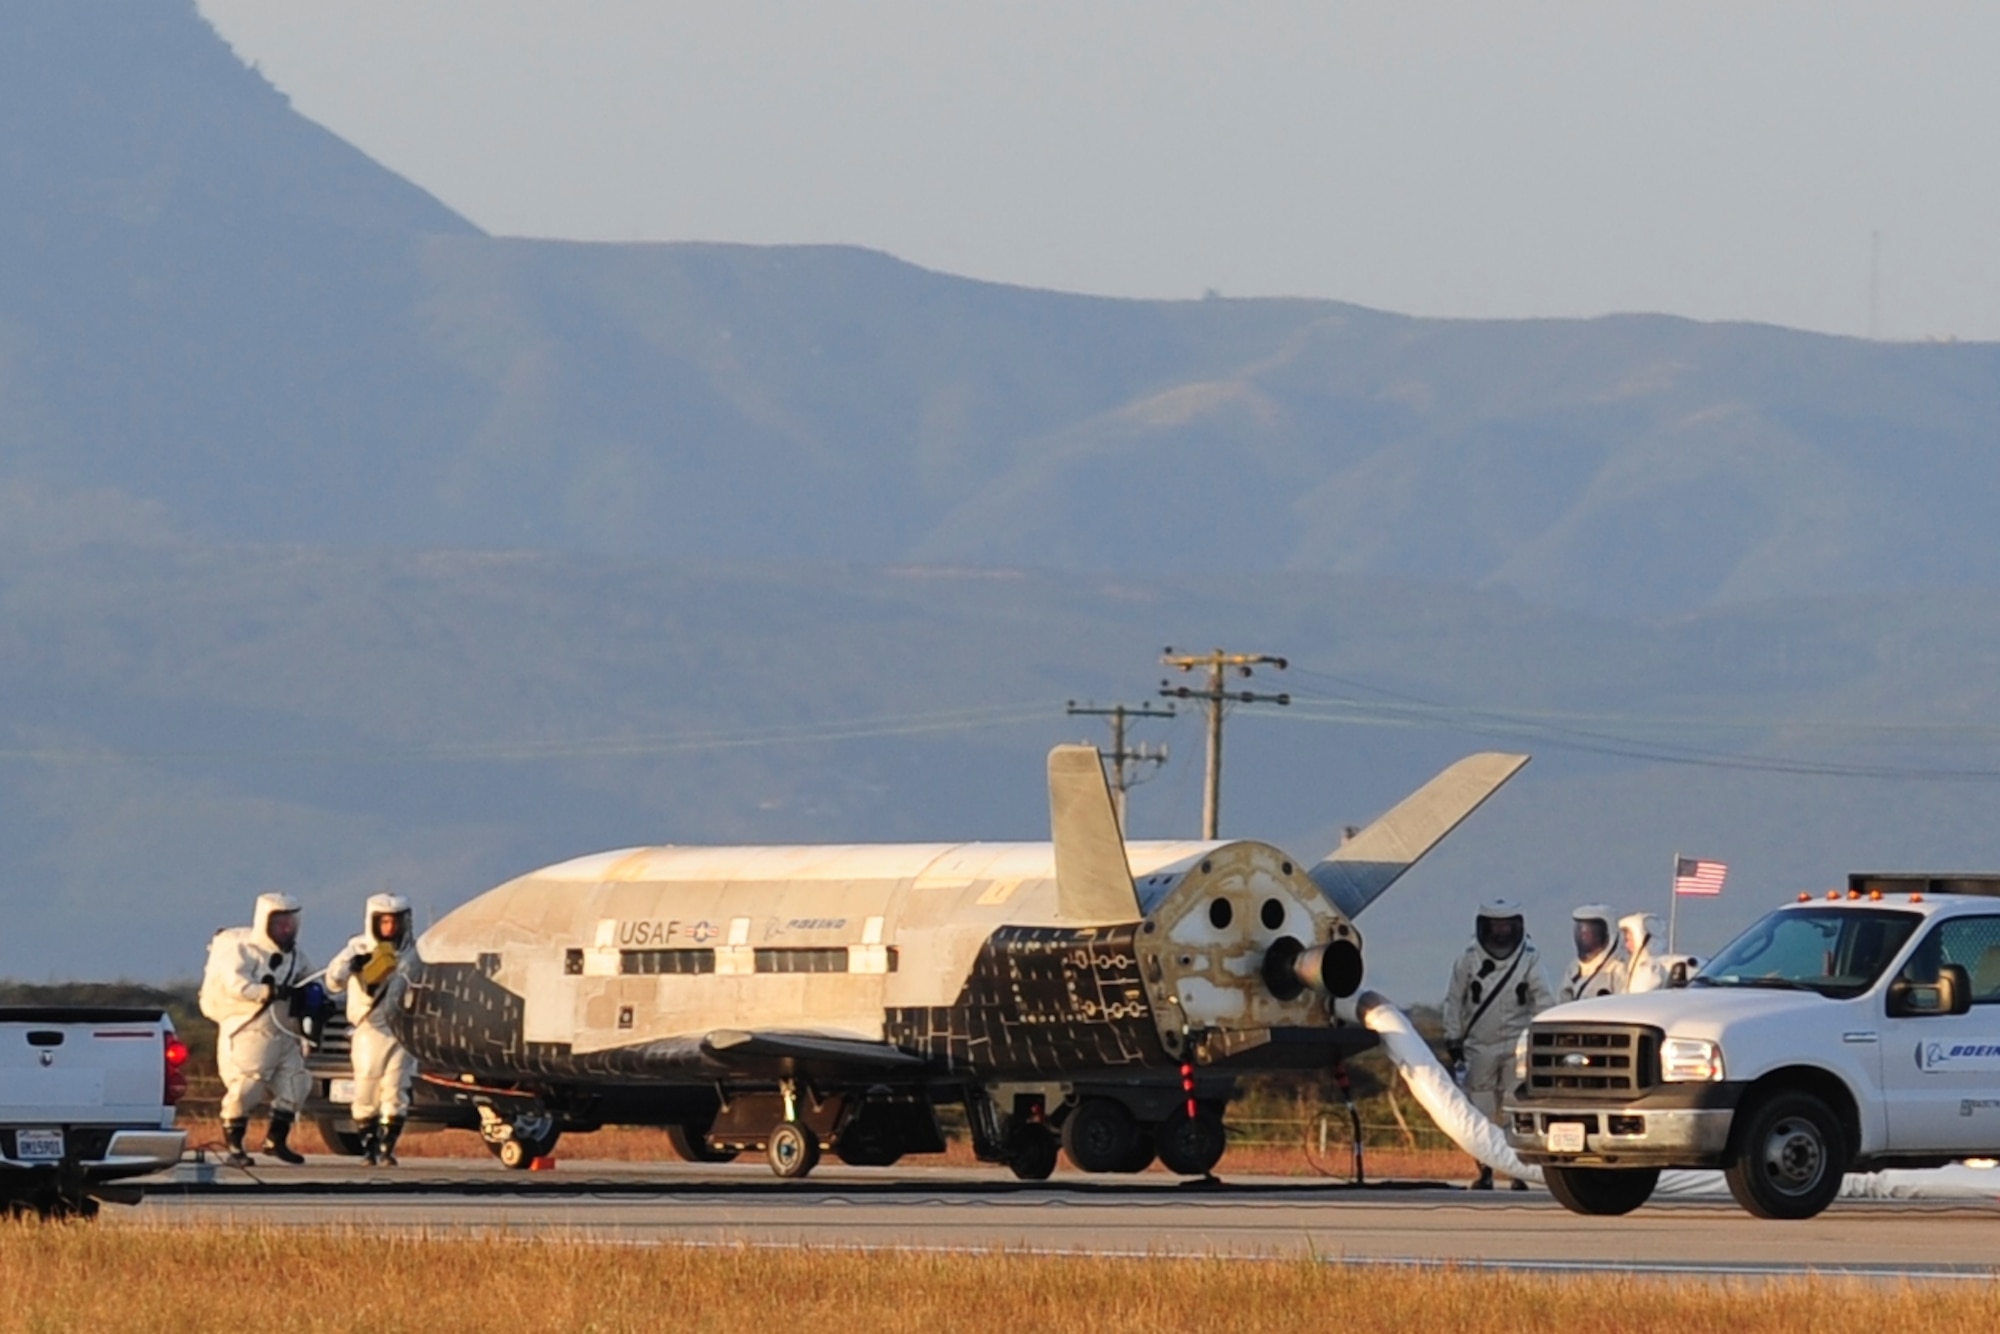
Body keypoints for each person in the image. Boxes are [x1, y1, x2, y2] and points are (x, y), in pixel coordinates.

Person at [1442, 897, 1555, 1190]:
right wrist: (1453, 1039)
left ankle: (1518, 1169)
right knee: (1480, 1110)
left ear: (1517, 926)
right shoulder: (1468, 960)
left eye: (1507, 926)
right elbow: (1453, 1002)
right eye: (1496, 926)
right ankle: (1486, 1169)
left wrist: (1539, 1040)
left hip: (1517, 1045)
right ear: (1484, 927)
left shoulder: (1529, 959)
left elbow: (1544, 1000)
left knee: (1513, 1108)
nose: (1501, 932)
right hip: (1479, 1045)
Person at [199, 892, 315, 1167]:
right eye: (280, 922)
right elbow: (236, 985)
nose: (287, 928)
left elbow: (312, 978)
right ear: (265, 921)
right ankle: (235, 1146)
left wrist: (315, 996)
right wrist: (268, 991)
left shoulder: (296, 957)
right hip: (249, 1029)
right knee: (246, 1087)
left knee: (297, 1083)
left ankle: (276, 1141)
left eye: (291, 922)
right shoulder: (243, 950)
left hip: (284, 1032)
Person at [325, 894, 419, 1166]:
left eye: (395, 921)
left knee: (396, 1089)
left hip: (400, 1030)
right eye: (385, 921)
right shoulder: (357, 947)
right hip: (369, 1029)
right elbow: (333, 981)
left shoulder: (414, 952)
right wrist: (353, 966)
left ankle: (387, 1147)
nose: (390, 928)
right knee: (366, 1086)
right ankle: (368, 1145)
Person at [1560, 904, 1627, 1002]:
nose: (1584, 937)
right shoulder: (1574, 968)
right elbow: (1562, 1001)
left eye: (1589, 933)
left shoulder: (1618, 969)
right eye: (1581, 932)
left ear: (1608, 934)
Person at [1619, 912, 1670, 993]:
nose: (1626, 945)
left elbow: (1639, 998)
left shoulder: (1649, 967)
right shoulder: (1636, 965)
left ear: (1641, 938)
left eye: (1628, 940)